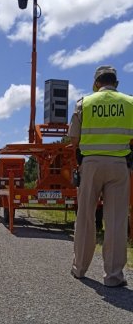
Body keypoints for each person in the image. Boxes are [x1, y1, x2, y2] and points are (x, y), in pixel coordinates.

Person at [68, 65, 133, 287]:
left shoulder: (83, 103)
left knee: (85, 216)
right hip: (119, 165)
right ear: (116, 83)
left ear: (96, 83)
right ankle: (114, 276)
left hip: (91, 164)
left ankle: (80, 269)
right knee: (116, 220)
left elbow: (74, 140)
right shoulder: (130, 103)